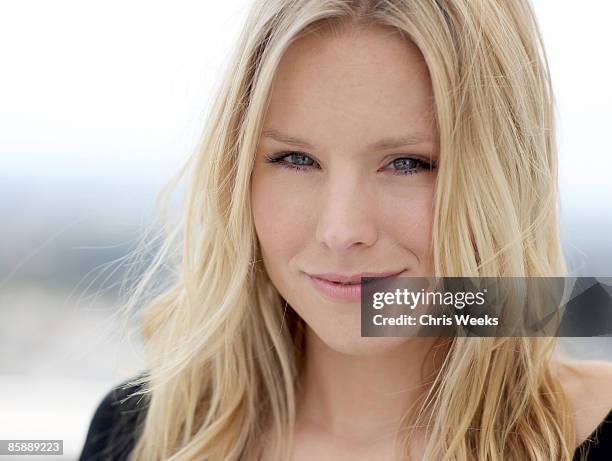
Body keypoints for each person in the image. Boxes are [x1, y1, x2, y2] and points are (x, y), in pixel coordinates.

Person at [80, 0, 612, 460]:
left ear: (505, 179)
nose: (341, 230)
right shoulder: (144, 434)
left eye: (407, 163)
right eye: (295, 159)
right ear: (237, 173)